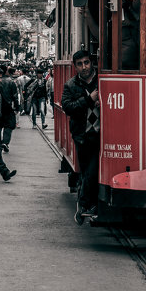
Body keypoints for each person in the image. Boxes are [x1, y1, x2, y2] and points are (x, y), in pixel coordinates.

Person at [61, 50, 100, 224]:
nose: (84, 67)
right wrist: (89, 99)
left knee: (93, 171)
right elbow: (68, 107)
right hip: (83, 135)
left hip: (102, 135)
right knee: (88, 171)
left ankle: (85, 205)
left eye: (86, 62)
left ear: (91, 63)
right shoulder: (71, 85)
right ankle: (85, 206)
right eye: (80, 64)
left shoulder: (103, 80)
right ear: (75, 66)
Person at [1, 65, 19, 149]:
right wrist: (17, 107)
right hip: (8, 106)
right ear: (6, 71)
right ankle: (5, 142)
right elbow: (15, 96)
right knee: (8, 125)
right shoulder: (11, 82)